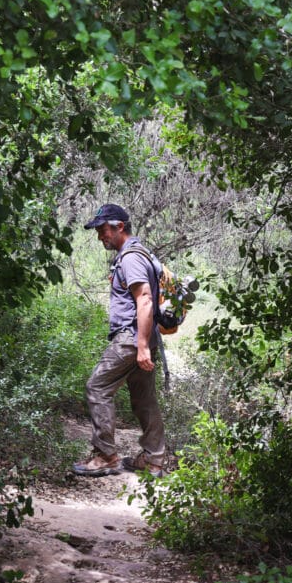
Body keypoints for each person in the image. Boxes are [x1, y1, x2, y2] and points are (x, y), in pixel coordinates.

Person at [73, 203, 165, 478]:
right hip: (144, 337)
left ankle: (106, 456)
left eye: (103, 230)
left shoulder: (131, 258)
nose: (101, 236)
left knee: (97, 387)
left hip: (131, 337)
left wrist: (140, 346)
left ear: (119, 227)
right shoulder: (140, 254)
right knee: (144, 399)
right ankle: (153, 460)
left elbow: (145, 300)